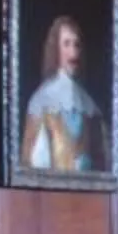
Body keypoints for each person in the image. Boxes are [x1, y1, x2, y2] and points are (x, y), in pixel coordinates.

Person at [20, 14, 105, 173]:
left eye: (76, 44)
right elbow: (35, 162)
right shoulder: (42, 100)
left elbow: (101, 158)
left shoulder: (89, 105)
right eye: (66, 44)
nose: (73, 51)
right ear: (56, 49)